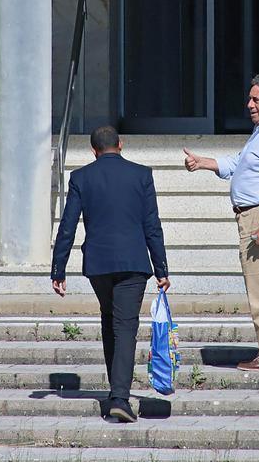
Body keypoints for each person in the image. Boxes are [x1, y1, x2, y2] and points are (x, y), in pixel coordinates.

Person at [51, 125, 170, 423]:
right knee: (125, 325)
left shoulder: (81, 177)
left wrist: (59, 268)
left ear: (94, 150)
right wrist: (161, 268)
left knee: (110, 319)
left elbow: (68, 225)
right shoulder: (141, 174)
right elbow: (151, 225)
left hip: (98, 264)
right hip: (132, 262)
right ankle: (119, 397)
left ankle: (115, 392)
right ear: (121, 144)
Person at [183, 74, 259, 372]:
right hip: (255, 214)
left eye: (255, 99)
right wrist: (204, 162)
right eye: (249, 98)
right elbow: (238, 163)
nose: (249, 105)